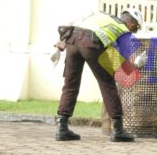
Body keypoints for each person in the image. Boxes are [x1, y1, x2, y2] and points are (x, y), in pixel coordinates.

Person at [55, 9, 147, 142]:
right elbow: (125, 67)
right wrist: (137, 64)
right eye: (136, 28)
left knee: (70, 83)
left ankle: (62, 127)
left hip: (72, 40)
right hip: (92, 44)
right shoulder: (123, 30)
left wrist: (58, 46)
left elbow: (71, 23)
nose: (134, 31)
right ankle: (118, 130)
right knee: (107, 84)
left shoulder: (102, 16)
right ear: (132, 24)